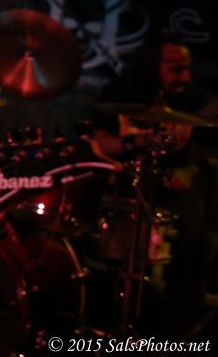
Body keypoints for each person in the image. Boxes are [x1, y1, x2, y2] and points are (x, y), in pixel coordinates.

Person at [92, 34, 218, 336]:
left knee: (197, 244)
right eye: (177, 69)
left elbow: (208, 140)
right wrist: (142, 141)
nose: (185, 77)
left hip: (168, 195)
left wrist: (189, 168)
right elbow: (101, 143)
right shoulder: (119, 91)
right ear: (152, 65)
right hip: (122, 188)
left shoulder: (191, 99)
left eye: (187, 69)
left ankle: (172, 335)